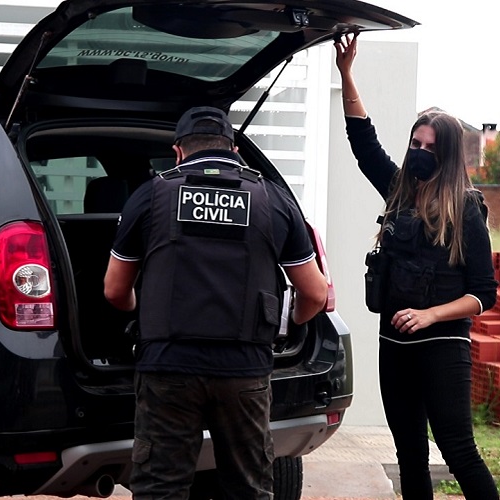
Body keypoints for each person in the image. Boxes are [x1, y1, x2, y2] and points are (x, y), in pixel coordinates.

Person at [103, 106, 329, 499]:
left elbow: (114, 290)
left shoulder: (152, 195)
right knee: (248, 488)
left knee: (161, 488)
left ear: (177, 152)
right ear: (234, 150)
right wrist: (291, 321)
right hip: (244, 370)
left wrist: (141, 309)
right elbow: (315, 293)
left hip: (169, 366)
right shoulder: (272, 199)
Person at [335, 33, 499, 500]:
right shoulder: (398, 192)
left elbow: (483, 293)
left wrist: (430, 315)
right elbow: (363, 142)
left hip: (442, 346)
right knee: (409, 453)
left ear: (447, 155)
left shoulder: (466, 208)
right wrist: (346, 74)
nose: (420, 152)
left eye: (430, 147)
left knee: (458, 450)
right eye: (415, 142)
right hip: (394, 345)